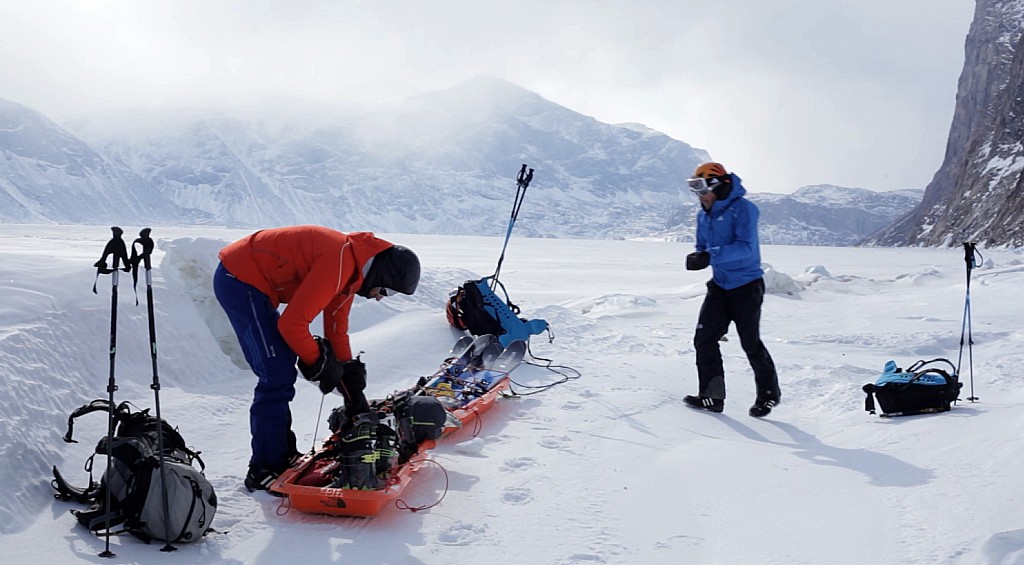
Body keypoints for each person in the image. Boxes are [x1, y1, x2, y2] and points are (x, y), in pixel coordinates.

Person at [213, 225, 420, 491]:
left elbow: (336, 328)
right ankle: (263, 466)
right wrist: (319, 363)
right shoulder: (340, 262)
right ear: (381, 274)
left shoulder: (352, 267)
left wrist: (350, 384)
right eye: (387, 291)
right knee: (275, 374)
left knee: (281, 368)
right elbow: (292, 325)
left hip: (254, 281)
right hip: (239, 279)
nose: (381, 298)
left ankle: (282, 453)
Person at [682, 162, 781, 417]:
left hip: (746, 286)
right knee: (704, 340)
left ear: (716, 185)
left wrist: (710, 256)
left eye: (701, 187)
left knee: (750, 342)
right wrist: (698, 257)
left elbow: (746, 248)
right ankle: (711, 397)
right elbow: (703, 247)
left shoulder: (744, 209)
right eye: (693, 188)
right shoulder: (703, 214)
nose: (698, 195)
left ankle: (768, 395)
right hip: (720, 285)